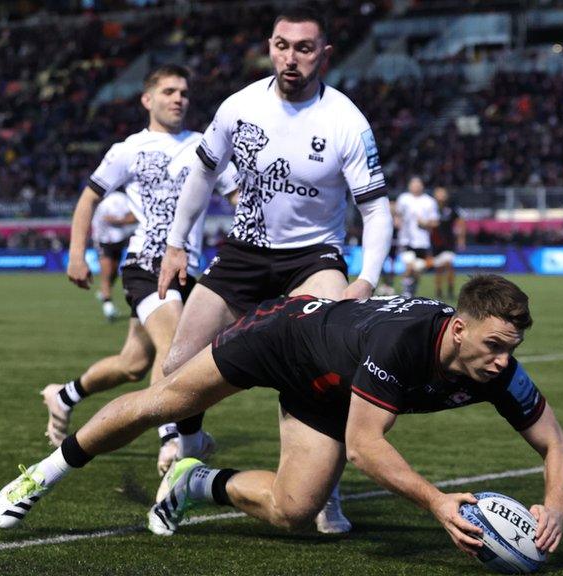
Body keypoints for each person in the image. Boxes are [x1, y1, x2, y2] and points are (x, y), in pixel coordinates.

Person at [0, 275, 563, 560]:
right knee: (165, 403)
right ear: (459, 326)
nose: (503, 361)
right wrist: (438, 502)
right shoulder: (404, 343)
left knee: (294, 510)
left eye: (512, 348)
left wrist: (554, 508)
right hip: (283, 336)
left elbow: (558, 447)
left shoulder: (499, 373)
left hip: (331, 386)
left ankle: (193, 482)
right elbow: (365, 448)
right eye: (495, 345)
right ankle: (46, 471)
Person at [154, 6, 394, 534]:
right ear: (270, 46)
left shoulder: (346, 122)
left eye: (304, 48)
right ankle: (189, 455)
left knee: (330, 365)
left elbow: (376, 209)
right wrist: (176, 245)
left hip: (312, 258)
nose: (291, 57)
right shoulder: (239, 107)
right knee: (178, 367)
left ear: (324, 54)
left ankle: (326, 489)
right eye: (282, 45)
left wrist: (365, 281)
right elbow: (202, 173)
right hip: (244, 253)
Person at [39, 65, 237, 455]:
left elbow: (238, 200)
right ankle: (172, 440)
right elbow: (88, 199)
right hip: (147, 264)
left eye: (183, 91)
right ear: (147, 100)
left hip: (188, 270)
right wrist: (77, 254)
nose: (178, 98)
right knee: (176, 345)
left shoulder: (207, 145)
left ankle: (64, 396)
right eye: (168, 92)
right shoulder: (128, 150)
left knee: (133, 363)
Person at [90, 191, 137, 320]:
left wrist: (119, 221)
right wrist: (122, 221)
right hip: (103, 240)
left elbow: (134, 217)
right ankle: (108, 305)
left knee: (114, 271)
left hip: (119, 240)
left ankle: (104, 291)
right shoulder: (105, 204)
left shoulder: (123, 199)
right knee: (107, 271)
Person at [396, 177, 439, 299]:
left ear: (422, 186)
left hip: (422, 241)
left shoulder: (429, 201)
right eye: (413, 184)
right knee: (409, 265)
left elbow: (435, 222)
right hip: (406, 239)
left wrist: (425, 223)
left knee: (418, 268)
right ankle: (406, 292)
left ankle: (411, 290)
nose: (415, 186)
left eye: (417, 184)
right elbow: (398, 215)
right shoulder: (404, 199)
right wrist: (397, 221)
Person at [432, 186, 465, 300]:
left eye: (443, 193)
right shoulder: (431, 207)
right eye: (439, 193)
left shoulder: (452, 208)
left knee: (449, 265)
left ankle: (450, 289)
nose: (441, 196)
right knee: (439, 268)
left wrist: (461, 240)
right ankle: (438, 290)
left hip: (449, 242)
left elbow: (461, 222)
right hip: (435, 243)